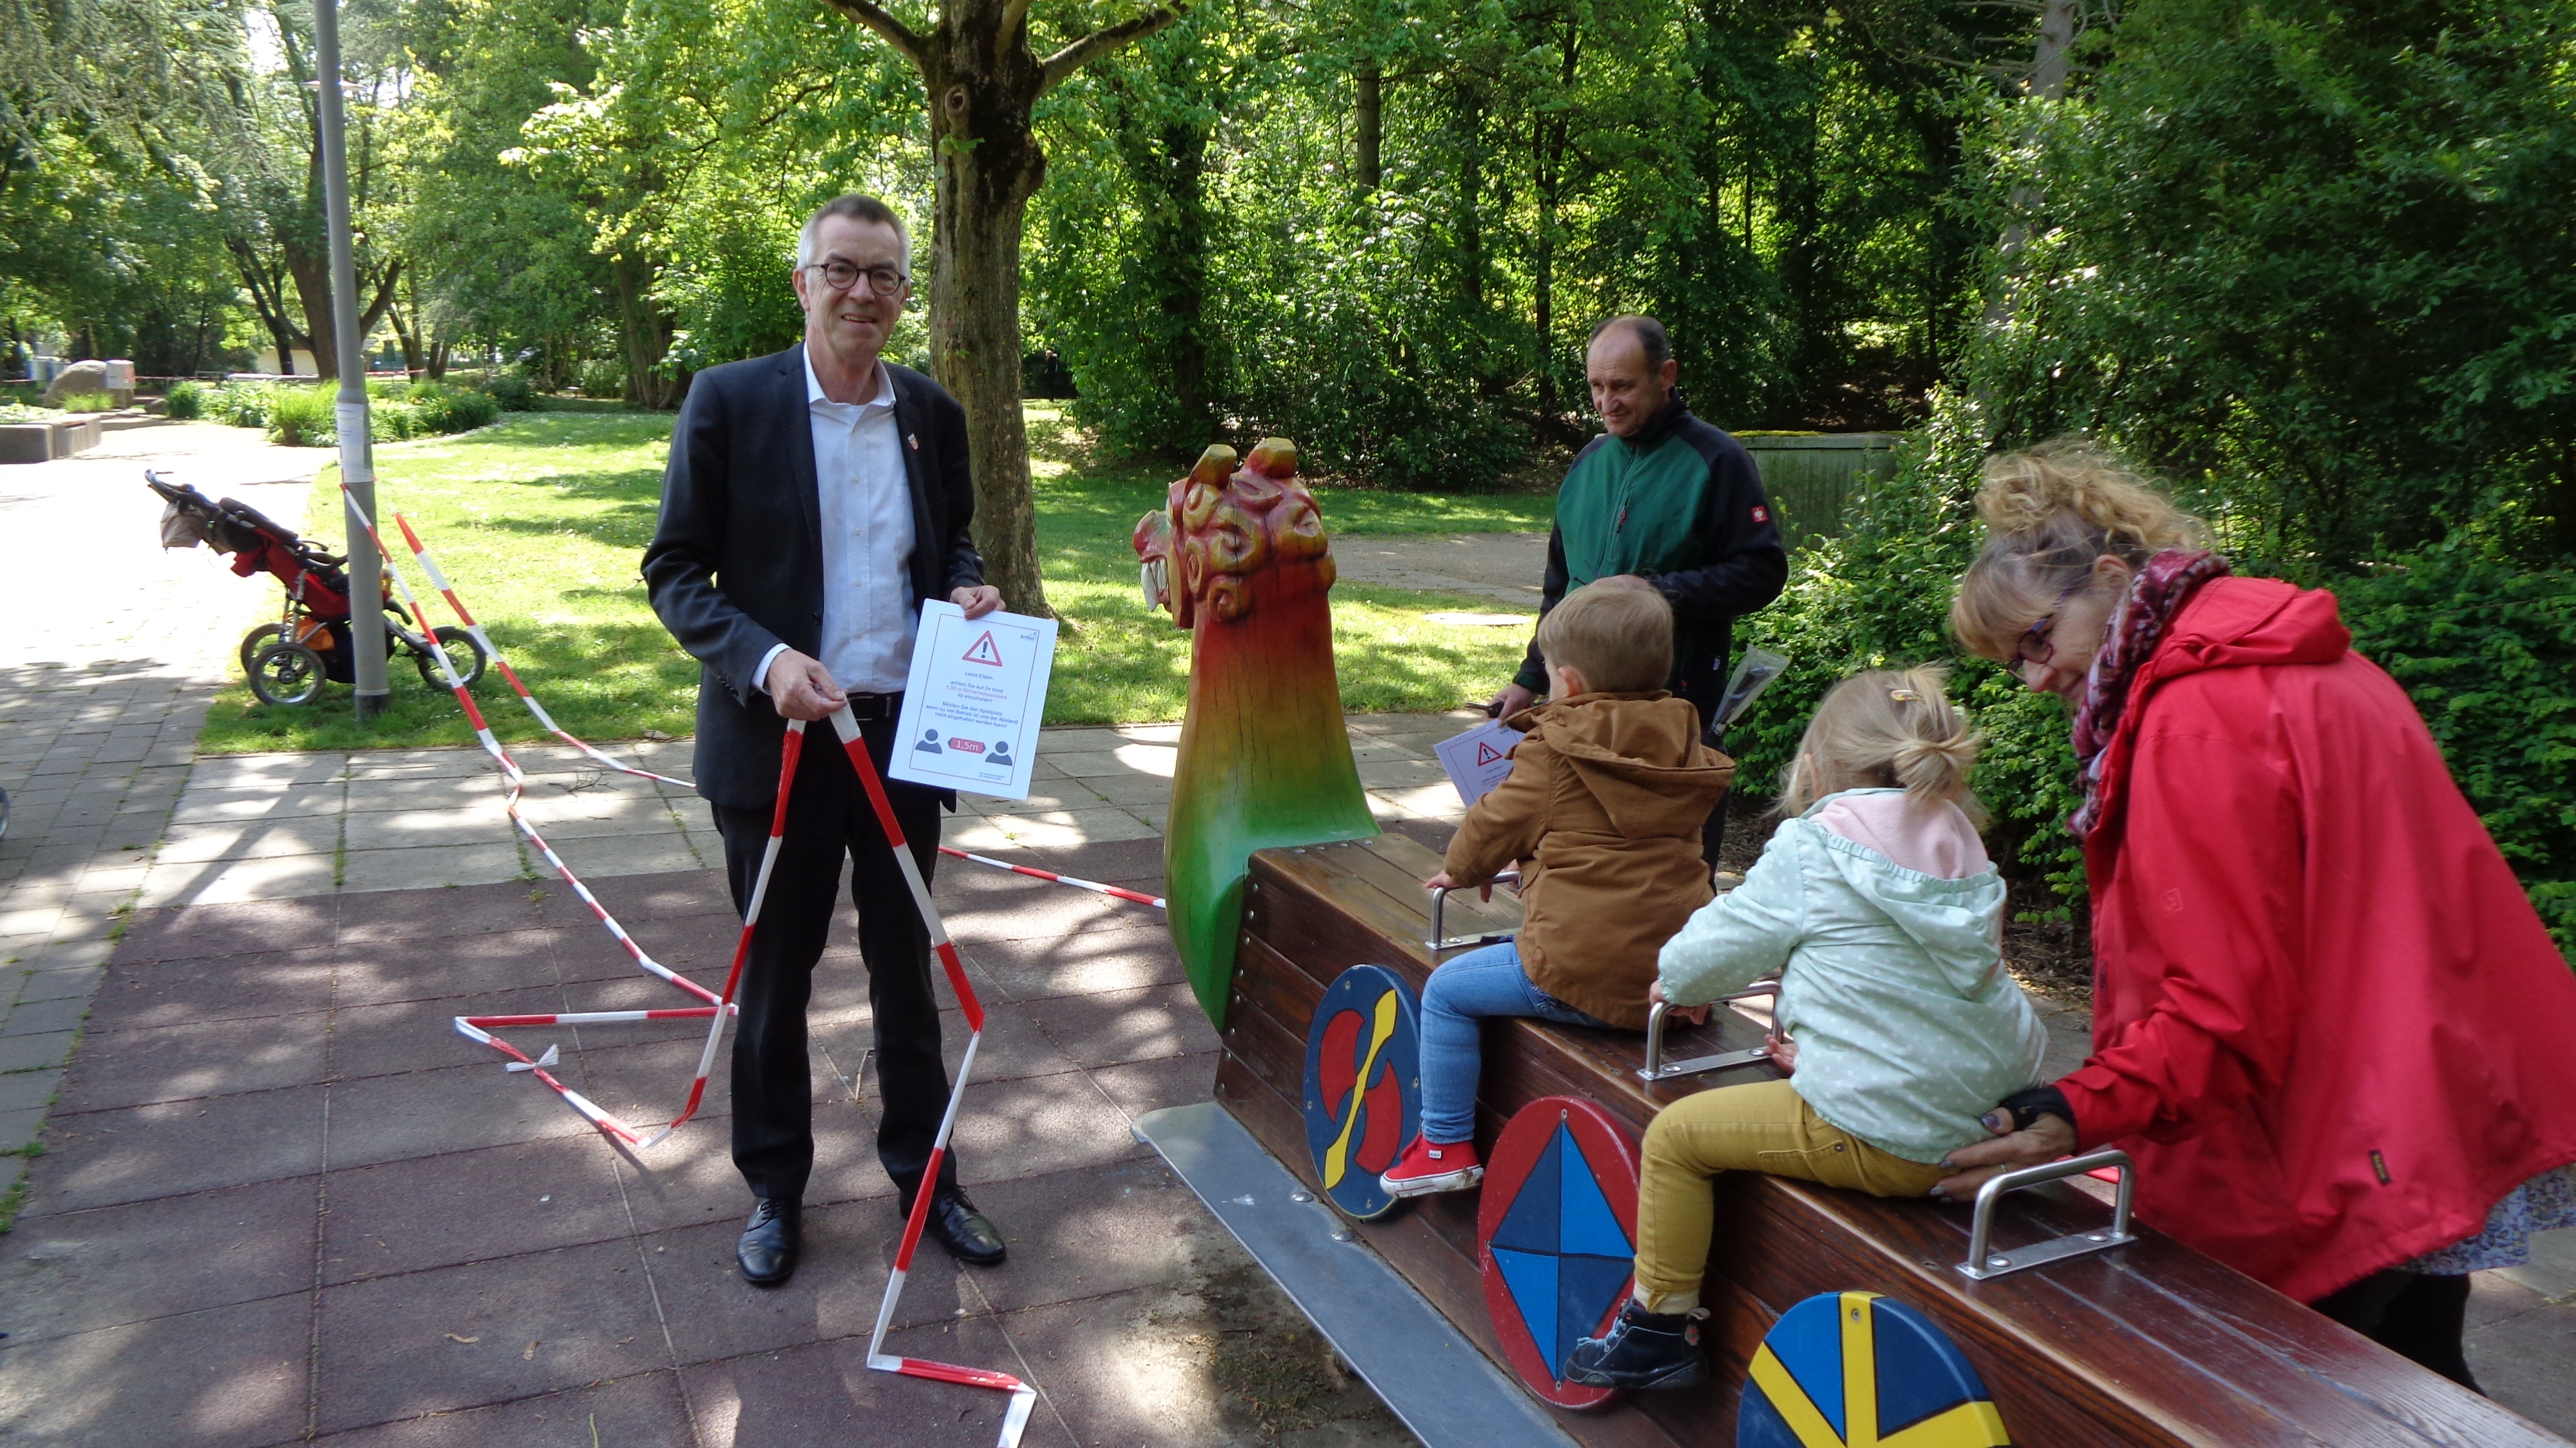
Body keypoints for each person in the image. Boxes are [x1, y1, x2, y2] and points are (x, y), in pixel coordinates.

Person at [1934, 440, 2576, 1388]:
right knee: (2420, 1380)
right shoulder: (2294, 657)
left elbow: (2219, 1012)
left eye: (2034, 640)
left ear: (2110, 580)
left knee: (2286, 1396)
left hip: (2341, 1142)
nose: (2032, 678)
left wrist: (2074, 1108)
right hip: (2422, 1105)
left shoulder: (2198, 714)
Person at [644, 194, 1008, 1288]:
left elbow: (949, 544)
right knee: (776, 979)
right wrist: (766, 660)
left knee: (908, 970)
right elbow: (674, 572)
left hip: (904, 737)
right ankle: (772, 1188)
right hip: (780, 747)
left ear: (903, 292)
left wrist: (967, 588)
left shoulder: (930, 413)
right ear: (801, 281)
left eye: (884, 276)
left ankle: (925, 1175)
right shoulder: (729, 400)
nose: (863, 293)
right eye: (841, 270)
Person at [1564, 666, 2048, 1389]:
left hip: (1889, 1133)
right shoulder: (1958, 839)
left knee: (1674, 1139)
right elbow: (1908, 985)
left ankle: (1656, 1330)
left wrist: (1678, 979)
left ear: (1816, 767)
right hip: (1988, 1111)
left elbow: (1713, 951)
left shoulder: (1815, 844)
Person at [1382, 578, 1734, 1198]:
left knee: (1446, 990)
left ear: (1567, 682)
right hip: (1678, 977)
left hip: (1580, 974)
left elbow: (1495, 819)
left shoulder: (1554, 751)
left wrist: (1460, 871)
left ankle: (1442, 1142)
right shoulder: (1684, 736)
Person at [1485, 316, 1788, 860]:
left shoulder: (1717, 461)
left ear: (1665, 375)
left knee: (1673, 866)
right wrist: (1529, 678)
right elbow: (1562, 588)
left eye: (1622, 386)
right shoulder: (1588, 463)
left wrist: (1654, 592)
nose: (1607, 402)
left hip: (1671, 710)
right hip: (1577, 710)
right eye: (1597, 386)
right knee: (1582, 855)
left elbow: (1762, 571)